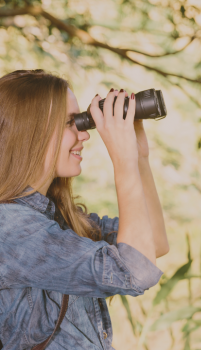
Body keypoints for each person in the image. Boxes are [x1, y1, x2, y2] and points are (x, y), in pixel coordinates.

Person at [0, 69, 169, 350]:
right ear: (29, 131)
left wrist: (139, 157)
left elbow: (155, 244)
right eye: (70, 123)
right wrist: (122, 162)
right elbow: (136, 271)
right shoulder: (10, 228)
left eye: (82, 121)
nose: (84, 134)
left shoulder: (59, 219)